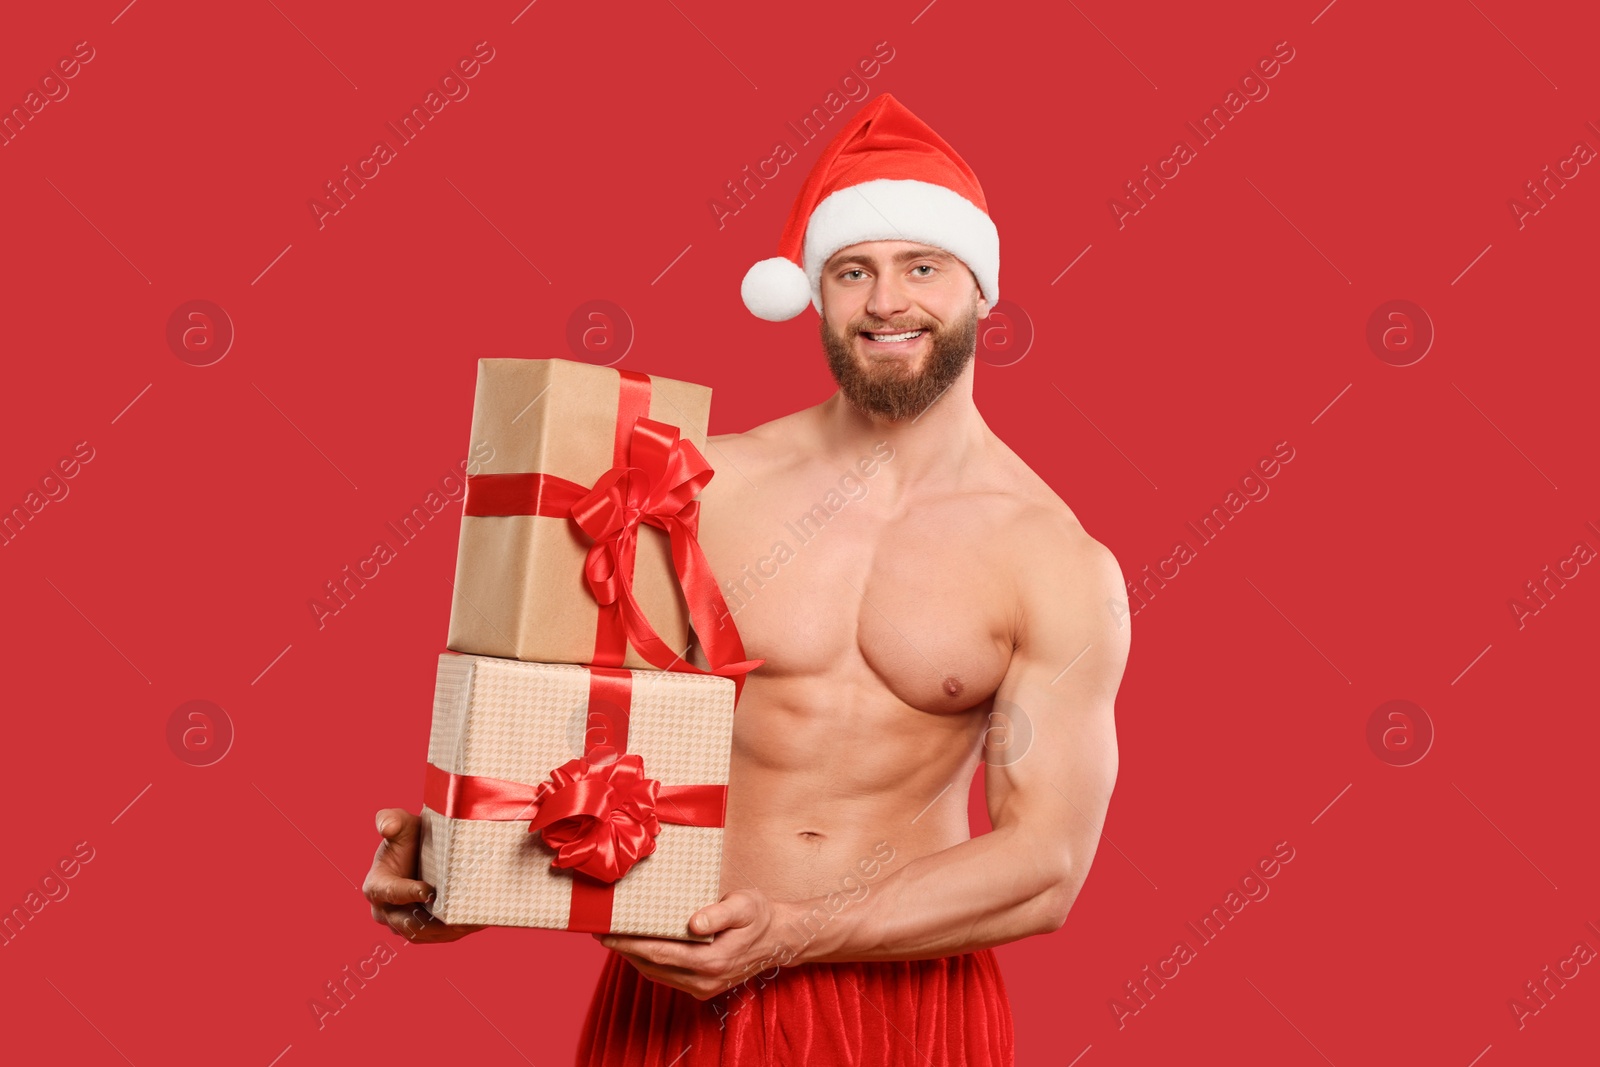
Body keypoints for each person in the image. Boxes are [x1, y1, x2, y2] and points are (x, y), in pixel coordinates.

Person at [363, 93, 1129, 1066]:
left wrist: (796, 929)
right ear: (814, 291)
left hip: (908, 1006)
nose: (886, 302)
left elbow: (1046, 867)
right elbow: (570, 720)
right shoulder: (694, 483)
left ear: (982, 288)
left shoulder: (1054, 559)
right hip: (684, 984)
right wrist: (460, 867)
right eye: (853, 270)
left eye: (921, 266)